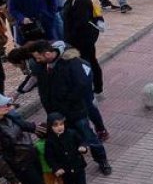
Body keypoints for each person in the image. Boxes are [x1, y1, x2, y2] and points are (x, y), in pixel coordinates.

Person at [28, 40, 112, 174]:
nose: (37, 60)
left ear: (48, 54)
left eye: (39, 57)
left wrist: (67, 103)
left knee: (88, 136)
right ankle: (76, 163)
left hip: (74, 111)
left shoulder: (71, 62)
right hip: (55, 112)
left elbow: (82, 85)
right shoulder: (42, 66)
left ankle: (102, 160)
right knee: (66, 140)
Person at [42, 113, 96, 184]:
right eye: (56, 125)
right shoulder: (50, 141)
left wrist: (83, 147)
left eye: (61, 124)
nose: (59, 127)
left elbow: (82, 141)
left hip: (77, 165)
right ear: (50, 127)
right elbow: (49, 157)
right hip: (65, 169)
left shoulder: (72, 133)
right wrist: (56, 168)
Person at [58, 0, 103, 95]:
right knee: (90, 61)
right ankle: (95, 86)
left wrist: (70, 39)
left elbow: (79, 23)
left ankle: (93, 87)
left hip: (82, 39)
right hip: (80, 38)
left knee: (87, 63)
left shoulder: (80, 1)